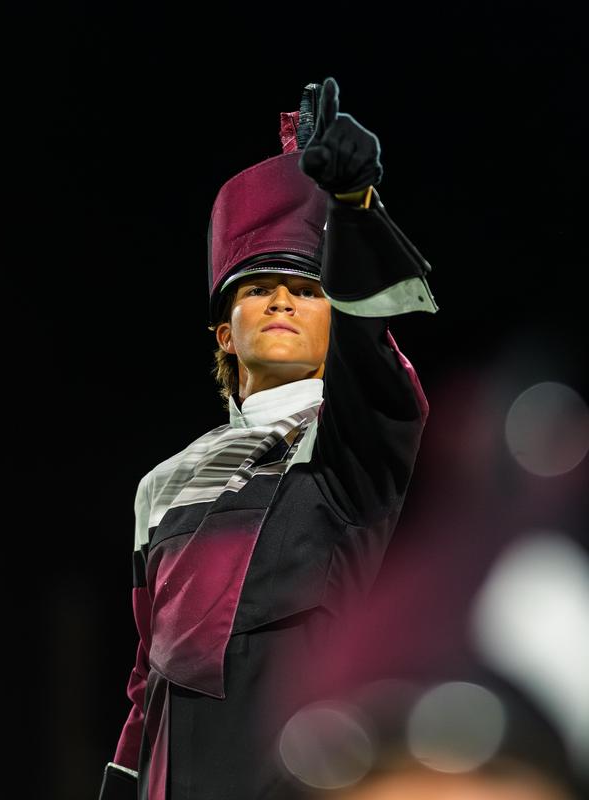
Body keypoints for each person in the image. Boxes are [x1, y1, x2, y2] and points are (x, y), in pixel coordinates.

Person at [97, 76, 438, 800]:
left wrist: (352, 209)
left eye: (307, 290)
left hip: (304, 767)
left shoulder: (352, 438)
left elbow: (370, 356)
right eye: (257, 288)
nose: (283, 297)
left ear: (333, 319)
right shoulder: (160, 484)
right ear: (225, 331)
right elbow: (144, 672)